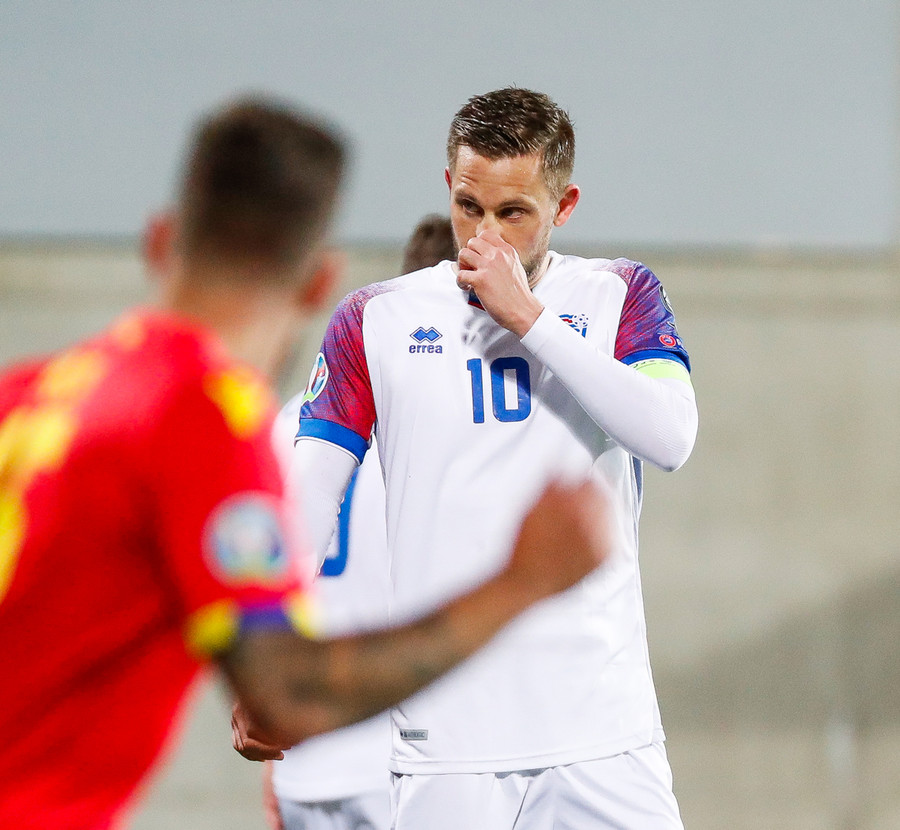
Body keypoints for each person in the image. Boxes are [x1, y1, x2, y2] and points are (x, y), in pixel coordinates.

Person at [0, 97, 610, 830]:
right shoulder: (201, 415)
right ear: (322, 282)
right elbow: (290, 695)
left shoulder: (31, 393)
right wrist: (523, 581)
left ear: (159, 239)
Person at [241, 87, 699, 828]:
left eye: (513, 213)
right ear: (449, 189)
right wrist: (263, 665)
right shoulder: (375, 319)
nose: (485, 235)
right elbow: (307, 505)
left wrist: (532, 320)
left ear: (564, 204)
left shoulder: (619, 294)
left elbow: (671, 436)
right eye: (468, 207)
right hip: (447, 743)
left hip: (602, 733)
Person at [264, 215, 456, 830]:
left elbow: (264, 581)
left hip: (303, 756)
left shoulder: (288, 420)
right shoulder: (452, 422)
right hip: (400, 759)